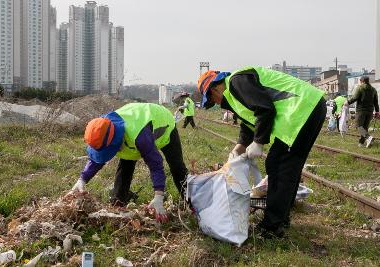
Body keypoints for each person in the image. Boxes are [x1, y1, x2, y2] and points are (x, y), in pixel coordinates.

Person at [198, 67, 326, 238]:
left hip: (301, 109)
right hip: (309, 107)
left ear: (215, 89)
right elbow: (249, 122)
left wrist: (259, 142)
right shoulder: (235, 91)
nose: (217, 104)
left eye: (213, 99)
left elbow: (264, 109)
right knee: (289, 166)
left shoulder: (236, 83)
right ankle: (281, 218)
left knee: (278, 164)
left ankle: (271, 227)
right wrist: (239, 147)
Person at [69, 103, 188, 223]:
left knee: (177, 166)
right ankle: (118, 203)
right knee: (126, 161)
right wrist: (82, 180)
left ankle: (191, 203)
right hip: (134, 129)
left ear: (117, 138)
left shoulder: (139, 136)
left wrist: (158, 196)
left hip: (163, 125)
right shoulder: (101, 127)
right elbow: (97, 159)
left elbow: (155, 164)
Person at [348, 76, 379, 147]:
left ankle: (368, 137)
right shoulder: (373, 89)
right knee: (365, 127)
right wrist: (377, 111)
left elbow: (355, 97)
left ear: (362, 81)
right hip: (370, 111)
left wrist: (347, 102)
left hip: (361, 110)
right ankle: (361, 143)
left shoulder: (360, 88)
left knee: (358, 126)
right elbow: (376, 102)